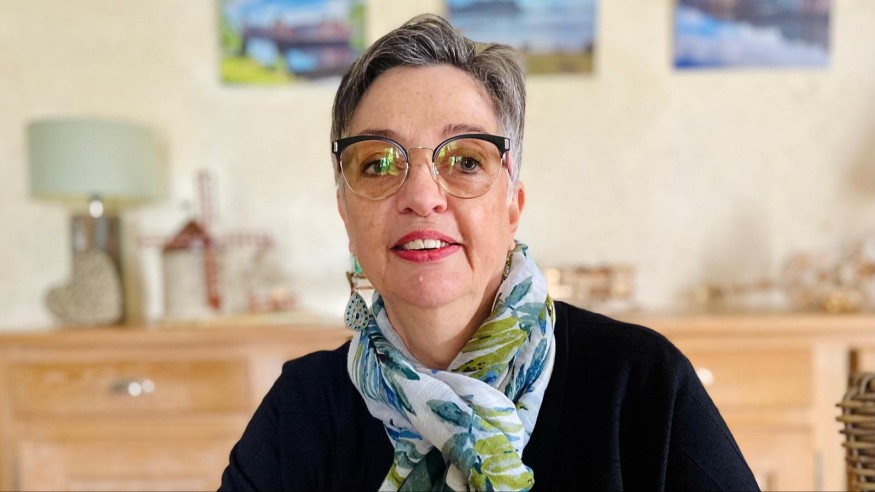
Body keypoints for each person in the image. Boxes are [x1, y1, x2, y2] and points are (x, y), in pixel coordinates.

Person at [220, 14, 759, 492]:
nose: (422, 196)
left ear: (511, 207)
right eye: (379, 164)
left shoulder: (640, 384)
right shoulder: (301, 411)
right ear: (345, 213)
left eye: (466, 160)